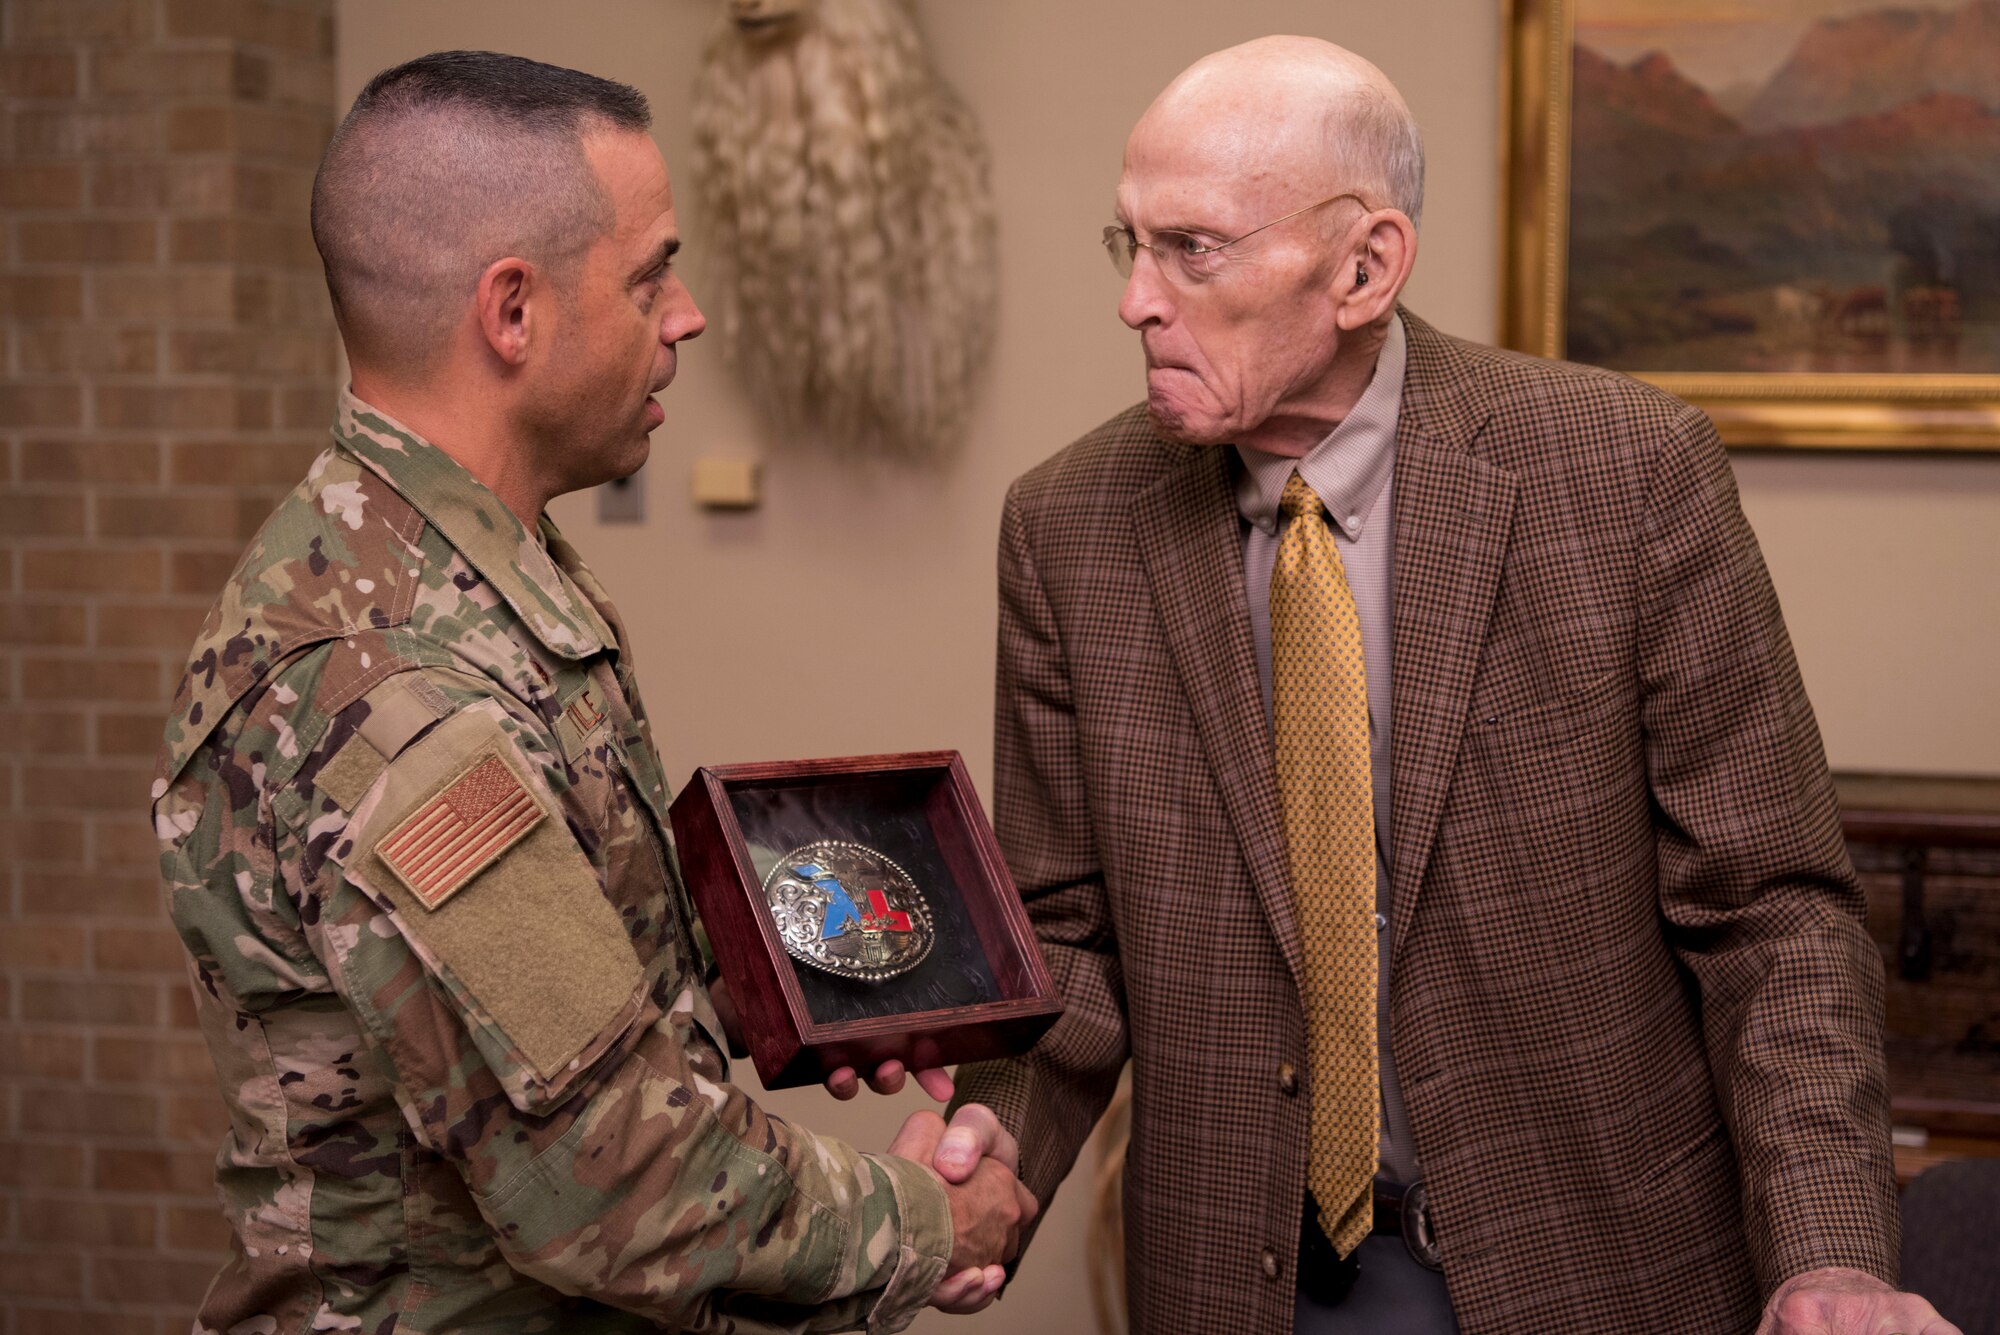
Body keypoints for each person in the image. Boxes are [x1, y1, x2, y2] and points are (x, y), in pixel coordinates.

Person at [936, 36, 1958, 1335]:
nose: (1138, 298)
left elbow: (1772, 916)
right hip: (1241, 1277)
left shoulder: (1624, 473)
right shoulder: (1069, 525)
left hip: (1595, 1267)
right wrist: (991, 1151)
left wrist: (1831, 1256)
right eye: (1126, 244)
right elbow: (1064, 935)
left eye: (1191, 248)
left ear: (1366, 265)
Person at [153, 50, 1030, 1332]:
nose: (687, 316)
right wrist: (924, 1221)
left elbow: (546, 993)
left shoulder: (463, 571)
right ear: (511, 311)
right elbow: (609, 1185)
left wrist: (809, 992)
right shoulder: (388, 688)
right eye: (649, 274)